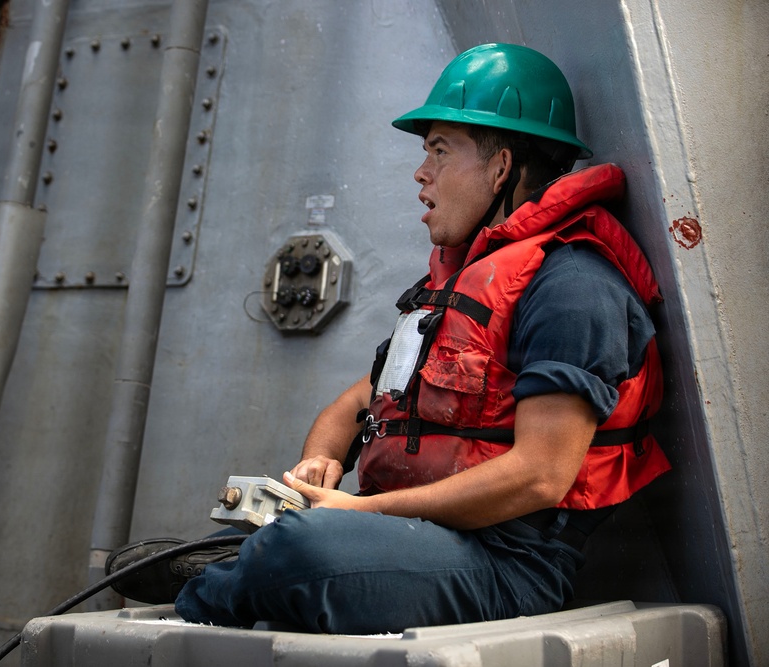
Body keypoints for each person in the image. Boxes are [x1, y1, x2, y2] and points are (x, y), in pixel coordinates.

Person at [106, 43, 671, 634]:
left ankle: (214, 585)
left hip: (507, 566)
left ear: (501, 167)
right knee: (293, 539)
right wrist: (320, 462)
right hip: (411, 535)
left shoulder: (573, 286)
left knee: (303, 550)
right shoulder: (451, 285)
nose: (420, 173)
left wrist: (359, 511)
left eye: (439, 151)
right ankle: (239, 565)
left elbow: (542, 473)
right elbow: (355, 406)